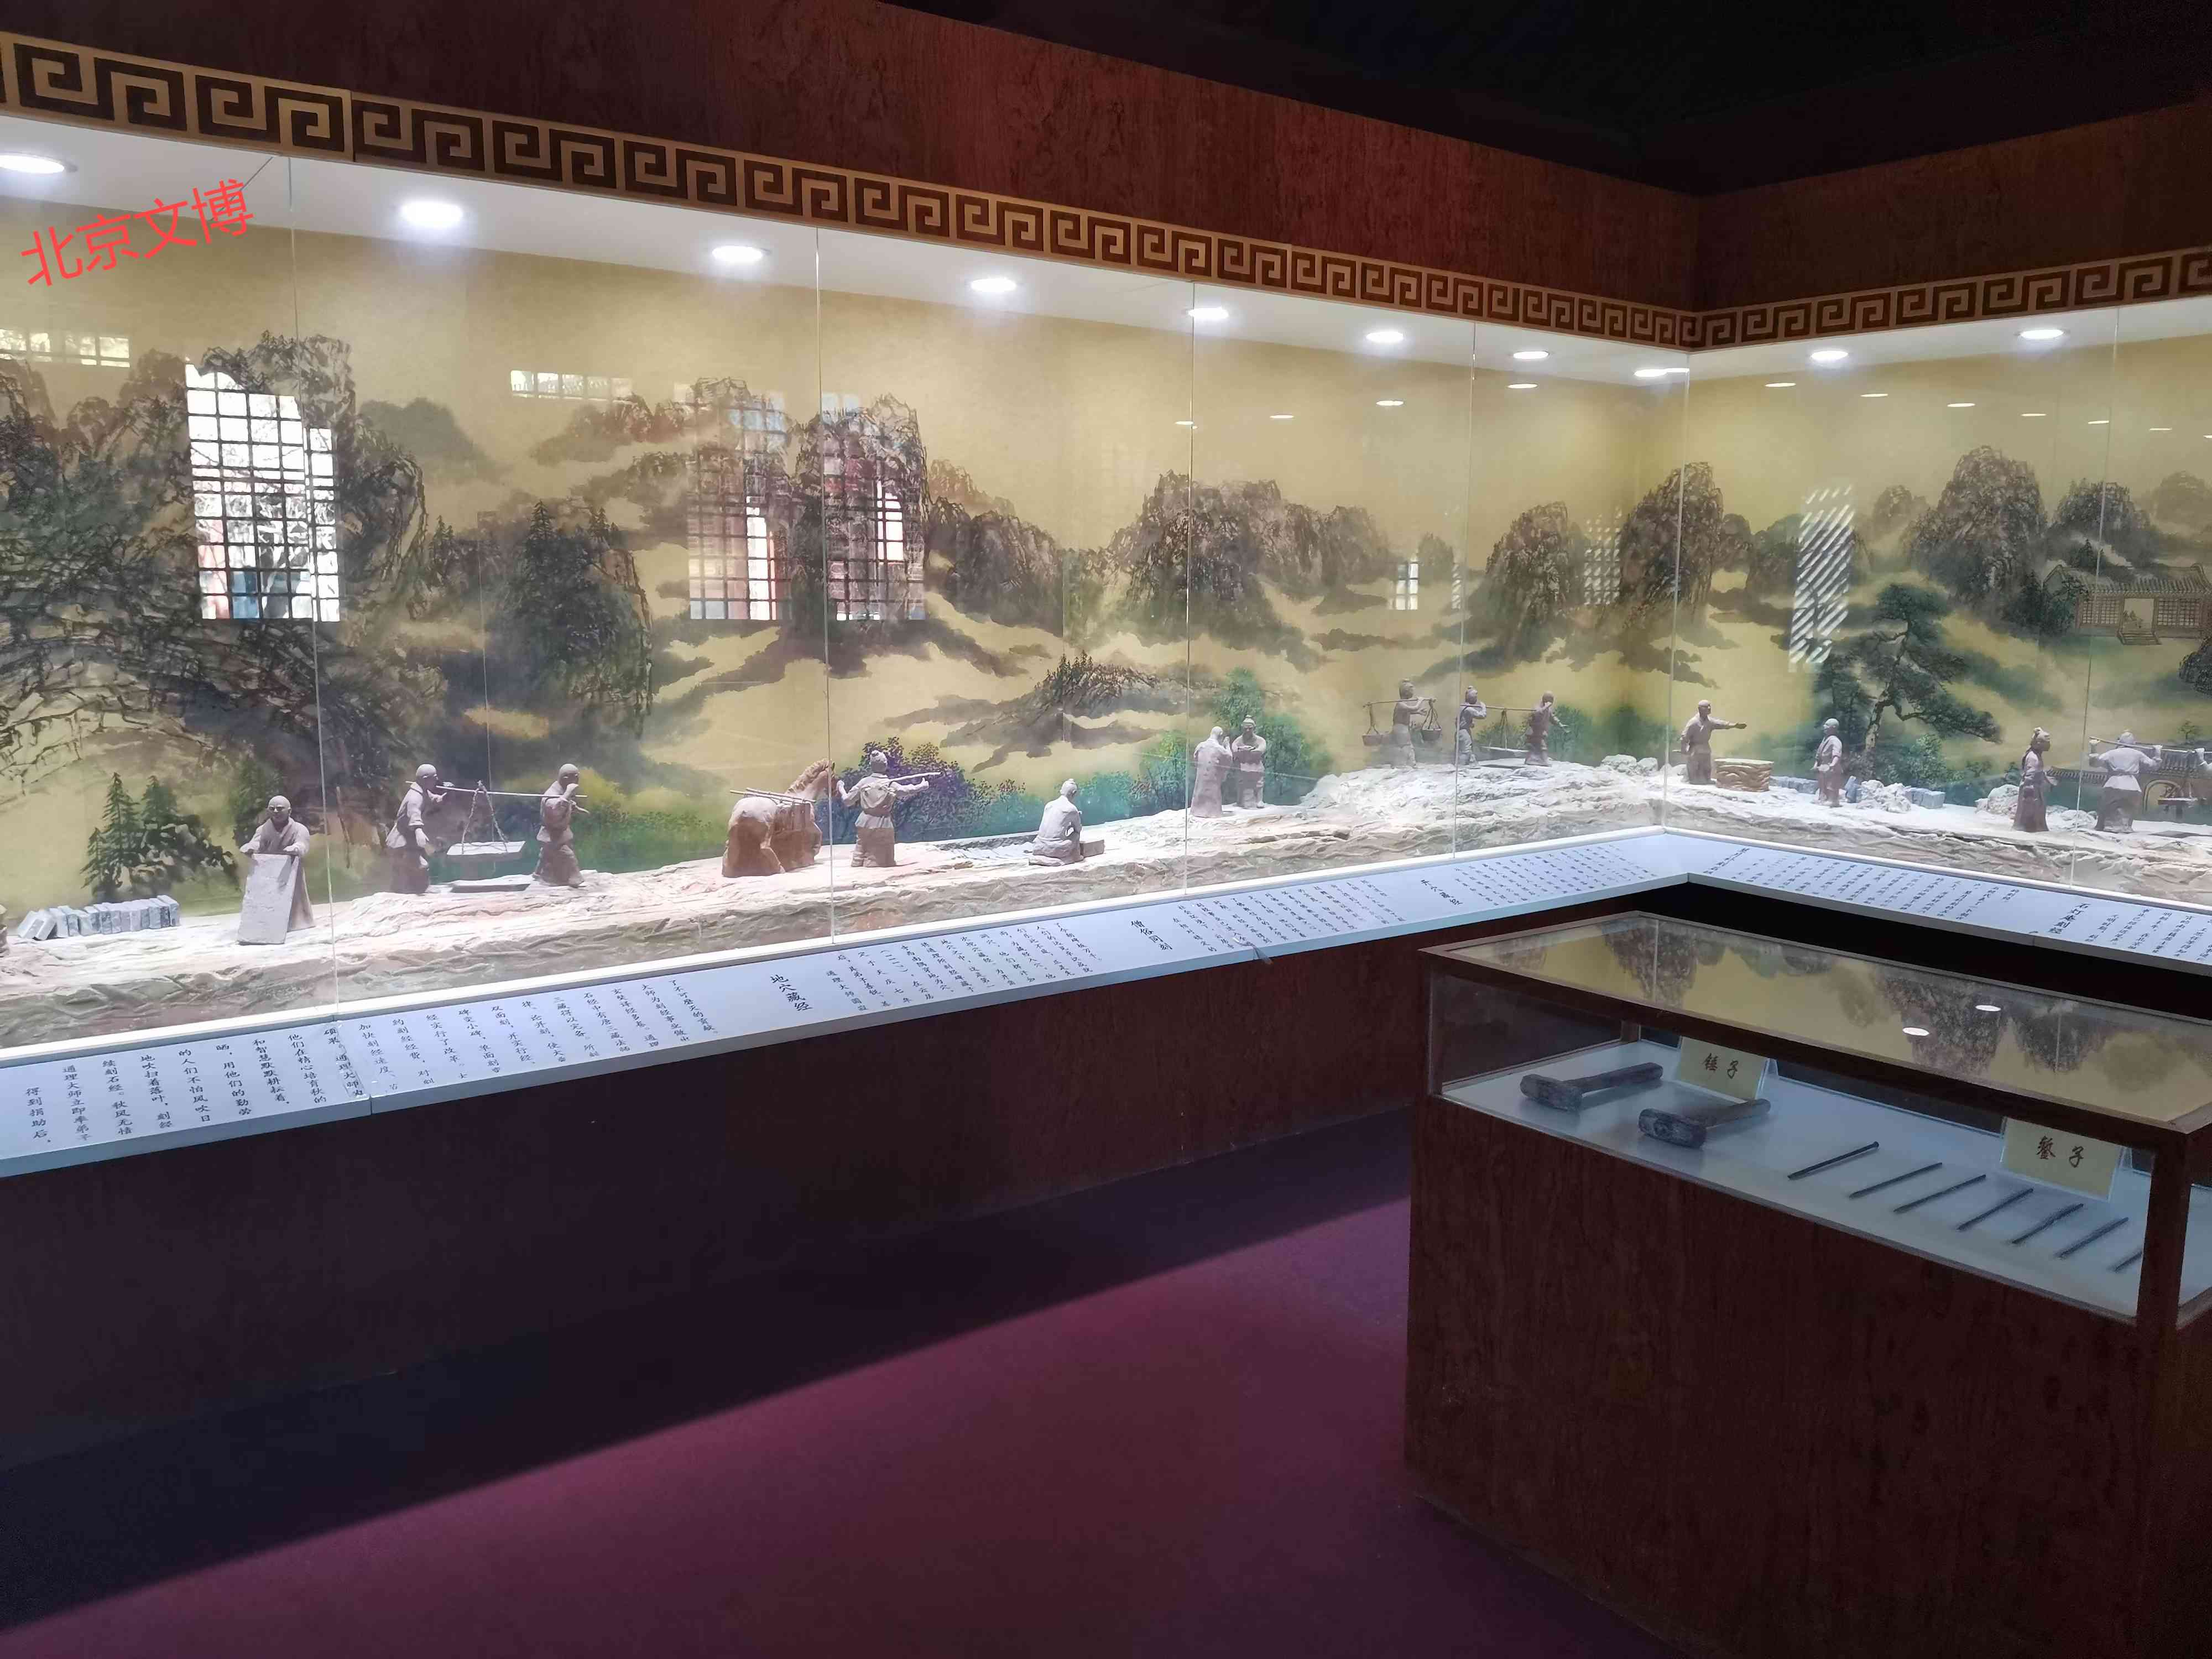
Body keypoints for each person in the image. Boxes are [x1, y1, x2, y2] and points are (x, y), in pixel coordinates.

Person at [838, 750, 932, 867]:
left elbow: (847, 801)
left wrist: (841, 788)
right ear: (885, 765)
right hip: (883, 823)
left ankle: (858, 862)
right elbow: (905, 790)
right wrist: (921, 786)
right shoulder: (890, 784)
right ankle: (872, 863)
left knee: (861, 843)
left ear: (871, 765)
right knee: (881, 850)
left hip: (864, 821)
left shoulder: (864, 782)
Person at [241, 794, 314, 932]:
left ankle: (297, 922)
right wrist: (250, 847)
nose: (276, 811)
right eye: (272, 809)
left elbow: (302, 844)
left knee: (294, 899)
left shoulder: (299, 829)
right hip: (269, 872)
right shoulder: (263, 829)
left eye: (280, 809)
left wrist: (296, 848)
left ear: (289, 811)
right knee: (268, 901)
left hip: (290, 870)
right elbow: (257, 843)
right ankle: (267, 925)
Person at [385, 763, 447, 895]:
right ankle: (421, 888)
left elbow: (430, 798)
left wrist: (440, 798)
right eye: (434, 778)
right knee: (420, 864)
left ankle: (401, 889)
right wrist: (419, 830)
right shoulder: (415, 797)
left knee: (406, 865)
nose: (436, 780)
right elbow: (414, 814)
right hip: (403, 838)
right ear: (425, 779)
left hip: (408, 836)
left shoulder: (422, 791)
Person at [2089, 733, 2160, 832]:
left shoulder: (2112, 753)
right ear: (2134, 743)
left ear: (2119, 742)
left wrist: (2093, 748)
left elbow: (2095, 763)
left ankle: (2108, 826)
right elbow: (2154, 766)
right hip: (2132, 785)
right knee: (2128, 808)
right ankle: (2124, 827)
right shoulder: (2138, 754)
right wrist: (2158, 753)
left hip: (2114, 784)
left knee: (2108, 806)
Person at [535, 763, 586, 886]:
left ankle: (538, 873)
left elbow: (567, 803)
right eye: (575, 777)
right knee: (569, 856)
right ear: (566, 778)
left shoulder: (561, 790)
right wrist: (568, 793)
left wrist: (575, 808)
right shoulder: (551, 794)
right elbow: (555, 810)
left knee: (546, 854)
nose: (577, 780)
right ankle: (575, 879)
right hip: (553, 834)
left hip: (560, 832)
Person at [1678, 699, 1746, 787]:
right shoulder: (1693, 722)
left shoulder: (1710, 721)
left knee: (1707, 767)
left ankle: (1707, 779)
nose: (1709, 708)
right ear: (1700, 709)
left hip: (1705, 747)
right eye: (1706, 707)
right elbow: (1684, 737)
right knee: (1694, 767)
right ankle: (1693, 780)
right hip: (1695, 749)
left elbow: (1721, 724)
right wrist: (1684, 750)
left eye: (1710, 706)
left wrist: (1734, 725)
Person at [1029, 779, 1085, 865]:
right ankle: (1076, 856)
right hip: (1055, 850)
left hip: (1038, 846)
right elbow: (1078, 829)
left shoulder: (1049, 805)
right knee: (1076, 834)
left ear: (1061, 791)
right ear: (1074, 793)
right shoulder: (1071, 809)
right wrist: (1077, 818)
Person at [2013, 728, 2052, 833]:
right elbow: (2030, 776)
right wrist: (2029, 793)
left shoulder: (2035, 755)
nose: (2049, 745)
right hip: (2031, 789)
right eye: (2047, 742)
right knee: (2030, 812)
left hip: (2034, 788)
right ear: (2039, 744)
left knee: (2035, 812)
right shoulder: (2033, 758)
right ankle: (2028, 829)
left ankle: (2033, 828)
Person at [1188, 727, 1231, 819]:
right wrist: (1227, 746)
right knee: (1213, 794)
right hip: (1213, 778)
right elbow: (1229, 758)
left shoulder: (1200, 746)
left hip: (1201, 777)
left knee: (1200, 791)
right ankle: (1213, 813)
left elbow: (1195, 760)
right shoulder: (1219, 749)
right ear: (1221, 735)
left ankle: (1197, 811)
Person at [1230, 718, 1269, 808]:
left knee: (1259, 783)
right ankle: (1240, 800)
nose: (1247, 730)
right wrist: (1241, 750)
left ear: (1254, 728)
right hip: (1243, 765)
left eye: (1250, 728)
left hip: (1256, 764)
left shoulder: (1260, 740)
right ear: (1242, 728)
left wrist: (1252, 750)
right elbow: (1234, 749)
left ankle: (1259, 800)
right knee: (1240, 783)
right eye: (1245, 728)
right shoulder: (1239, 740)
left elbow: (1261, 749)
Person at [1387, 680, 1426, 768]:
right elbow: (1414, 708)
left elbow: (1407, 712)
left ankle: (1411, 764)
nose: (1413, 692)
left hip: (1403, 728)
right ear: (1406, 692)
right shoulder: (1400, 704)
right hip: (1400, 728)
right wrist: (1420, 701)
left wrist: (1418, 712)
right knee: (1405, 746)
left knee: (1409, 746)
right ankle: (1401, 765)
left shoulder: (1403, 704)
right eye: (1411, 690)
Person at [1526, 692, 1567, 767]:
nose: (1552, 702)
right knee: (1541, 747)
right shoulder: (1538, 707)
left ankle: (1533, 760)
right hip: (1534, 732)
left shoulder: (1548, 709)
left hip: (1540, 732)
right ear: (1546, 699)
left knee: (1535, 748)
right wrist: (1546, 707)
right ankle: (1542, 761)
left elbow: (1553, 718)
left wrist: (1561, 725)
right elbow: (1537, 714)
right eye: (1551, 699)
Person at [1813, 718, 1845, 807]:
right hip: (1823, 766)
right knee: (1822, 785)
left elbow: (1837, 754)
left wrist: (1833, 764)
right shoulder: (1825, 739)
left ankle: (1833, 800)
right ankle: (1822, 798)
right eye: (1825, 725)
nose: (1824, 726)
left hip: (1831, 766)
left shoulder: (1835, 740)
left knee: (1831, 785)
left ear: (1833, 727)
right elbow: (1819, 754)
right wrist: (1816, 764)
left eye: (1827, 725)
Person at [1454, 686, 1490, 765]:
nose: (1476, 700)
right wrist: (1484, 707)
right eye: (1475, 698)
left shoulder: (1462, 707)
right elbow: (1482, 716)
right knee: (1466, 751)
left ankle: (1472, 763)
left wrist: (1468, 724)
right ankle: (1461, 766)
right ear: (1472, 698)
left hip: (1460, 732)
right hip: (1464, 733)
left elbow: (1458, 721)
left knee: (1464, 749)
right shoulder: (1468, 709)